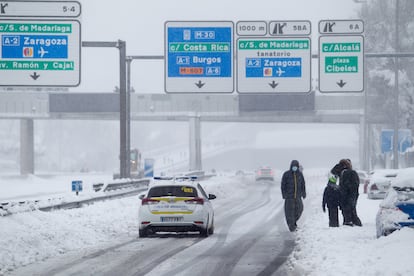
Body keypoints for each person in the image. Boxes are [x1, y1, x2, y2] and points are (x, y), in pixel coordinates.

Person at [281, 160, 306, 232]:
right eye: (293, 166)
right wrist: (284, 194)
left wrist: (303, 193)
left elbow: (303, 185)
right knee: (289, 212)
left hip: (298, 196)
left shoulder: (300, 175)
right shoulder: (286, 174)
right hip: (289, 197)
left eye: (295, 166)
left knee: (300, 209)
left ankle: (293, 222)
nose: (294, 167)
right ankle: (291, 226)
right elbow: (283, 185)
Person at [337, 159, 362, 226]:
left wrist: (343, 194)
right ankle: (354, 223)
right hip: (352, 196)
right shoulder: (351, 172)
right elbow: (356, 184)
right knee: (352, 211)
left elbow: (345, 186)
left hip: (347, 196)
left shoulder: (345, 173)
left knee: (348, 212)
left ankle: (350, 223)